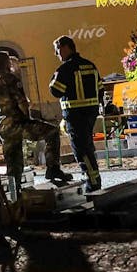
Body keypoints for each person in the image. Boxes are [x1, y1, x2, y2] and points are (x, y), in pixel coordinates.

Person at [0, 50, 70, 196]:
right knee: (52, 131)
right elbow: (21, 102)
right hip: (17, 123)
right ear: (6, 63)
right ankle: (52, 168)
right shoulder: (11, 78)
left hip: (2, 126)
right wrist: (29, 119)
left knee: (13, 160)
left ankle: (13, 192)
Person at [49, 36, 102, 192]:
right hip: (91, 113)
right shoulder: (90, 65)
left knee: (81, 149)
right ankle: (93, 179)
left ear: (65, 48)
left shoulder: (65, 69)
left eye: (57, 50)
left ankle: (92, 181)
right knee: (87, 146)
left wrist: (54, 77)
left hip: (75, 115)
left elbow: (55, 90)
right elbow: (100, 88)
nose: (56, 54)